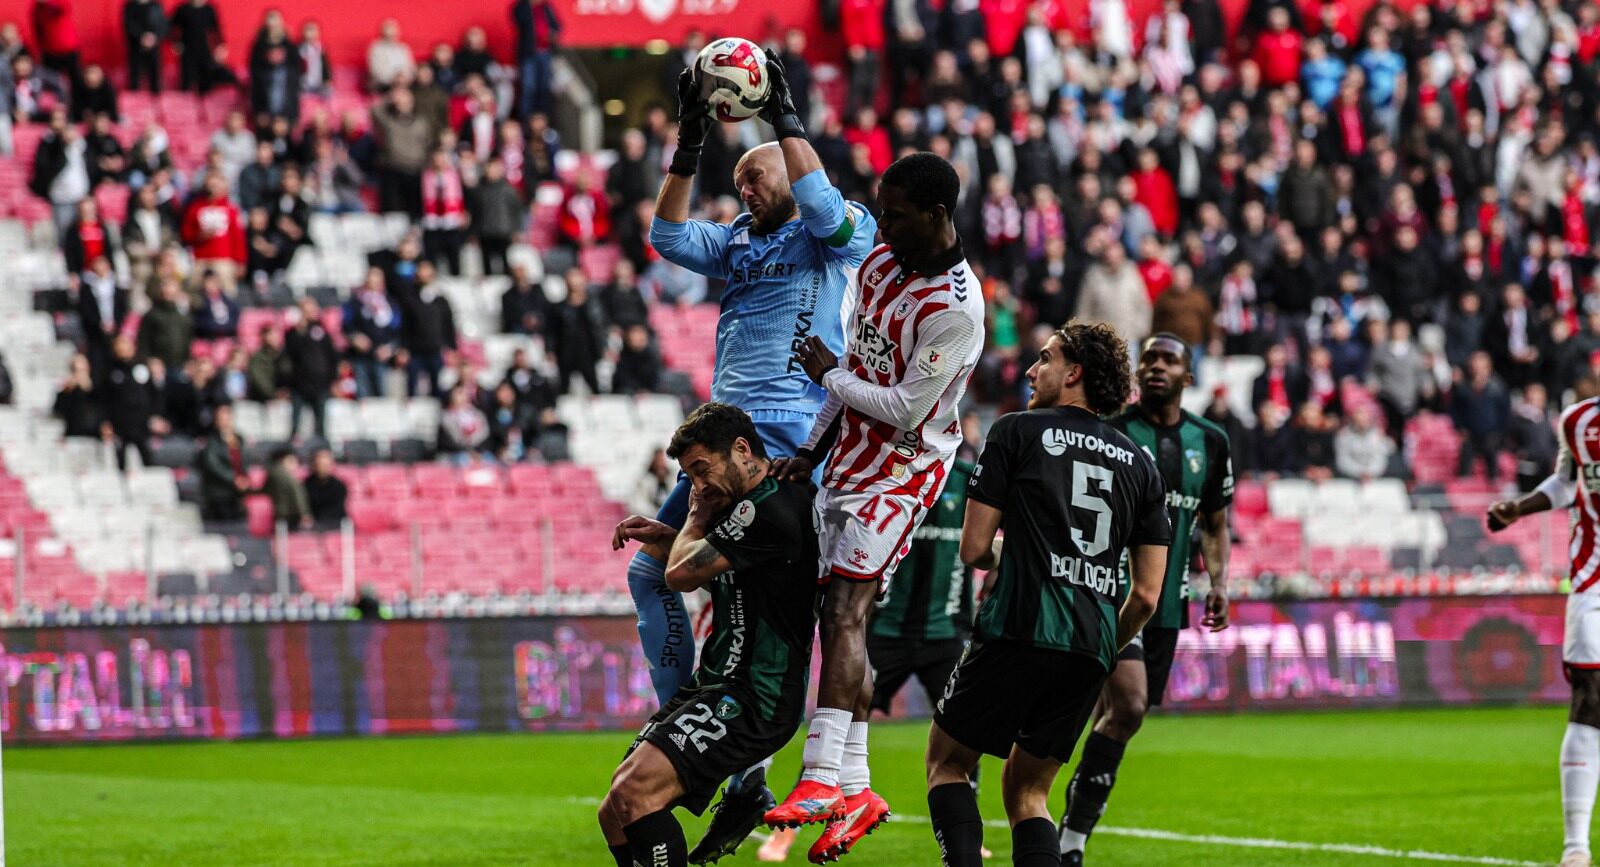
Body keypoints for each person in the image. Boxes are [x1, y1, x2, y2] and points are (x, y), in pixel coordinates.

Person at [631, 58, 876, 863]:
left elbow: (821, 206)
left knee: (790, 604)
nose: (745, 190)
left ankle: (794, 767)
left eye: (756, 176)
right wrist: (691, 138)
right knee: (651, 574)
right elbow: (666, 236)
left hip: (791, 444)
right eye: (737, 182)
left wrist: (784, 117)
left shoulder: (837, 233)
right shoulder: (736, 241)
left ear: (791, 169)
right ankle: (694, 729)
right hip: (721, 446)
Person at [766, 151, 984, 863]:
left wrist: (827, 374)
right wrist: (812, 448)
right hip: (848, 460)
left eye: (894, 216)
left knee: (845, 610)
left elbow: (904, 408)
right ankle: (859, 787)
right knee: (839, 617)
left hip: (902, 470)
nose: (881, 228)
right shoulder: (879, 267)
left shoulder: (957, 309)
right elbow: (858, 369)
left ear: (937, 216)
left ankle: (820, 776)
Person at [926, 321, 1172, 867]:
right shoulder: (1142, 464)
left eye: (1045, 359)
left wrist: (1013, 558)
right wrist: (1105, 647)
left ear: (1074, 373)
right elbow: (1146, 596)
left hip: (1018, 627)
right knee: (1029, 794)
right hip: (1090, 647)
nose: (1032, 371)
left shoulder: (1016, 431)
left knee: (948, 764)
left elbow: (974, 549)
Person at [602, 403, 821, 867]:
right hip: (718, 682)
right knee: (615, 812)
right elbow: (717, 568)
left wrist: (694, 519)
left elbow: (680, 575)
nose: (698, 486)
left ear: (741, 449)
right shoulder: (744, 506)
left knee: (636, 794)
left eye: (702, 469)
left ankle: (749, 792)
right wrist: (665, 535)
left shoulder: (772, 508)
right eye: (690, 476)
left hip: (756, 696)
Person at [1056, 333, 1233, 865]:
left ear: (1188, 376)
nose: (1156, 366)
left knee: (1115, 716)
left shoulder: (1211, 441)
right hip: (1107, 594)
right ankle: (1069, 839)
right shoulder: (1112, 431)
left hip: (1167, 606)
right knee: (1128, 706)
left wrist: (1219, 582)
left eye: (1169, 360)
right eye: (1149, 358)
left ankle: (1066, 826)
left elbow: (1215, 524)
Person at [1487, 380, 1600, 867]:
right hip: (1594, 580)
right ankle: (1576, 846)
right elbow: (1566, 482)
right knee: (1590, 698)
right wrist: (1519, 507)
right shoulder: (1578, 420)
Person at [197, 402, 248, 522]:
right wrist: (234, 479)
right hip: (219, 493)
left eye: (228, 417)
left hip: (237, 492)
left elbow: (243, 461)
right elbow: (212, 464)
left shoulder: (239, 439)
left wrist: (244, 479)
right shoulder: (212, 440)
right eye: (222, 418)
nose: (226, 421)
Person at [122, 0, 166, 93]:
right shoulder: (130, 6)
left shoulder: (156, 5)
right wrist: (141, 36)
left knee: (154, 70)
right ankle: (134, 93)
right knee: (135, 71)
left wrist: (155, 37)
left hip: (153, 43)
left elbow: (162, 23)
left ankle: (156, 92)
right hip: (136, 44)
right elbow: (128, 23)